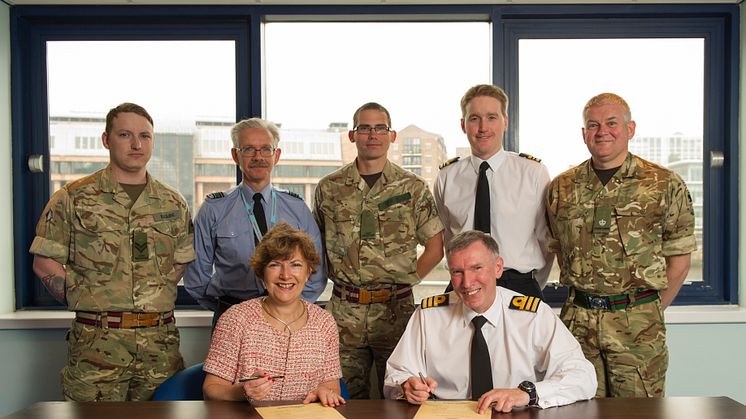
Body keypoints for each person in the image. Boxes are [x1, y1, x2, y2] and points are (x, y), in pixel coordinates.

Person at [29, 102, 195, 401]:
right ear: (106, 140)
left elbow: (180, 262)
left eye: (145, 136)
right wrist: (85, 295)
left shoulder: (173, 203)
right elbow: (44, 263)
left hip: (159, 343)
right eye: (125, 135)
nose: (136, 144)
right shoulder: (74, 197)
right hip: (96, 344)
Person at [545, 93, 696, 397]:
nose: (602, 131)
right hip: (578, 323)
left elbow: (679, 259)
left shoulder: (663, 183)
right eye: (593, 124)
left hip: (638, 325)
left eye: (612, 123)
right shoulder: (561, 187)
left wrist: (646, 310)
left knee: (638, 413)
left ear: (631, 128)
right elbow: (561, 249)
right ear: (583, 133)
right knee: (577, 408)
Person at [313, 102, 444, 399]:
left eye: (380, 128)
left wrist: (407, 281)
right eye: (365, 128)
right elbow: (315, 249)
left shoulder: (412, 188)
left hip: (395, 310)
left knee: (403, 396)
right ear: (352, 135)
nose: (372, 135)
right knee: (342, 399)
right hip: (344, 311)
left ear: (391, 135)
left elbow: (435, 247)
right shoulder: (330, 188)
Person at [383, 230, 596, 413]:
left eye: (477, 268)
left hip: (514, 415)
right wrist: (406, 385)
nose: (467, 283)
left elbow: (583, 377)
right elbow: (397, 372)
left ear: (498, 268)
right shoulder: (429, 315)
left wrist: (528, 394)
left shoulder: (534, 315)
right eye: (457, 272)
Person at [184, 117, 326, 325]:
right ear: (235, 155)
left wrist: (289, 307)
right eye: (249, 149)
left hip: (287, 318)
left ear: (276, 155)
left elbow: (317, 270)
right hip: (232, 313)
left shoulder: (297, 208)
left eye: (265, 149)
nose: (258, 157)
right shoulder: (214, 209)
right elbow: (197, 277)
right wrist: (228, 309)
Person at [202, 222, 344, 407]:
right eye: (275, 265)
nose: (285, 275)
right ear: (262, 273)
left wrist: (326, 392)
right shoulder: (236, 319)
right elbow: (211, 389)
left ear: (308, 272)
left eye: (295, 265)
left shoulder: (324, 322)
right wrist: (241, 391)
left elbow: (331, 386)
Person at [434, 84, 553, 299]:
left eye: (491, 117)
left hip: (519, 286)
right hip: (466, 288)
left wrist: (530, 284)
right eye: (474, 118)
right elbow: (449, 239)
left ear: (505, 121)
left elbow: (546, 241)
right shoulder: (447, 177)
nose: (483, 127)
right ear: (463, 125)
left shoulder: (533, 173)